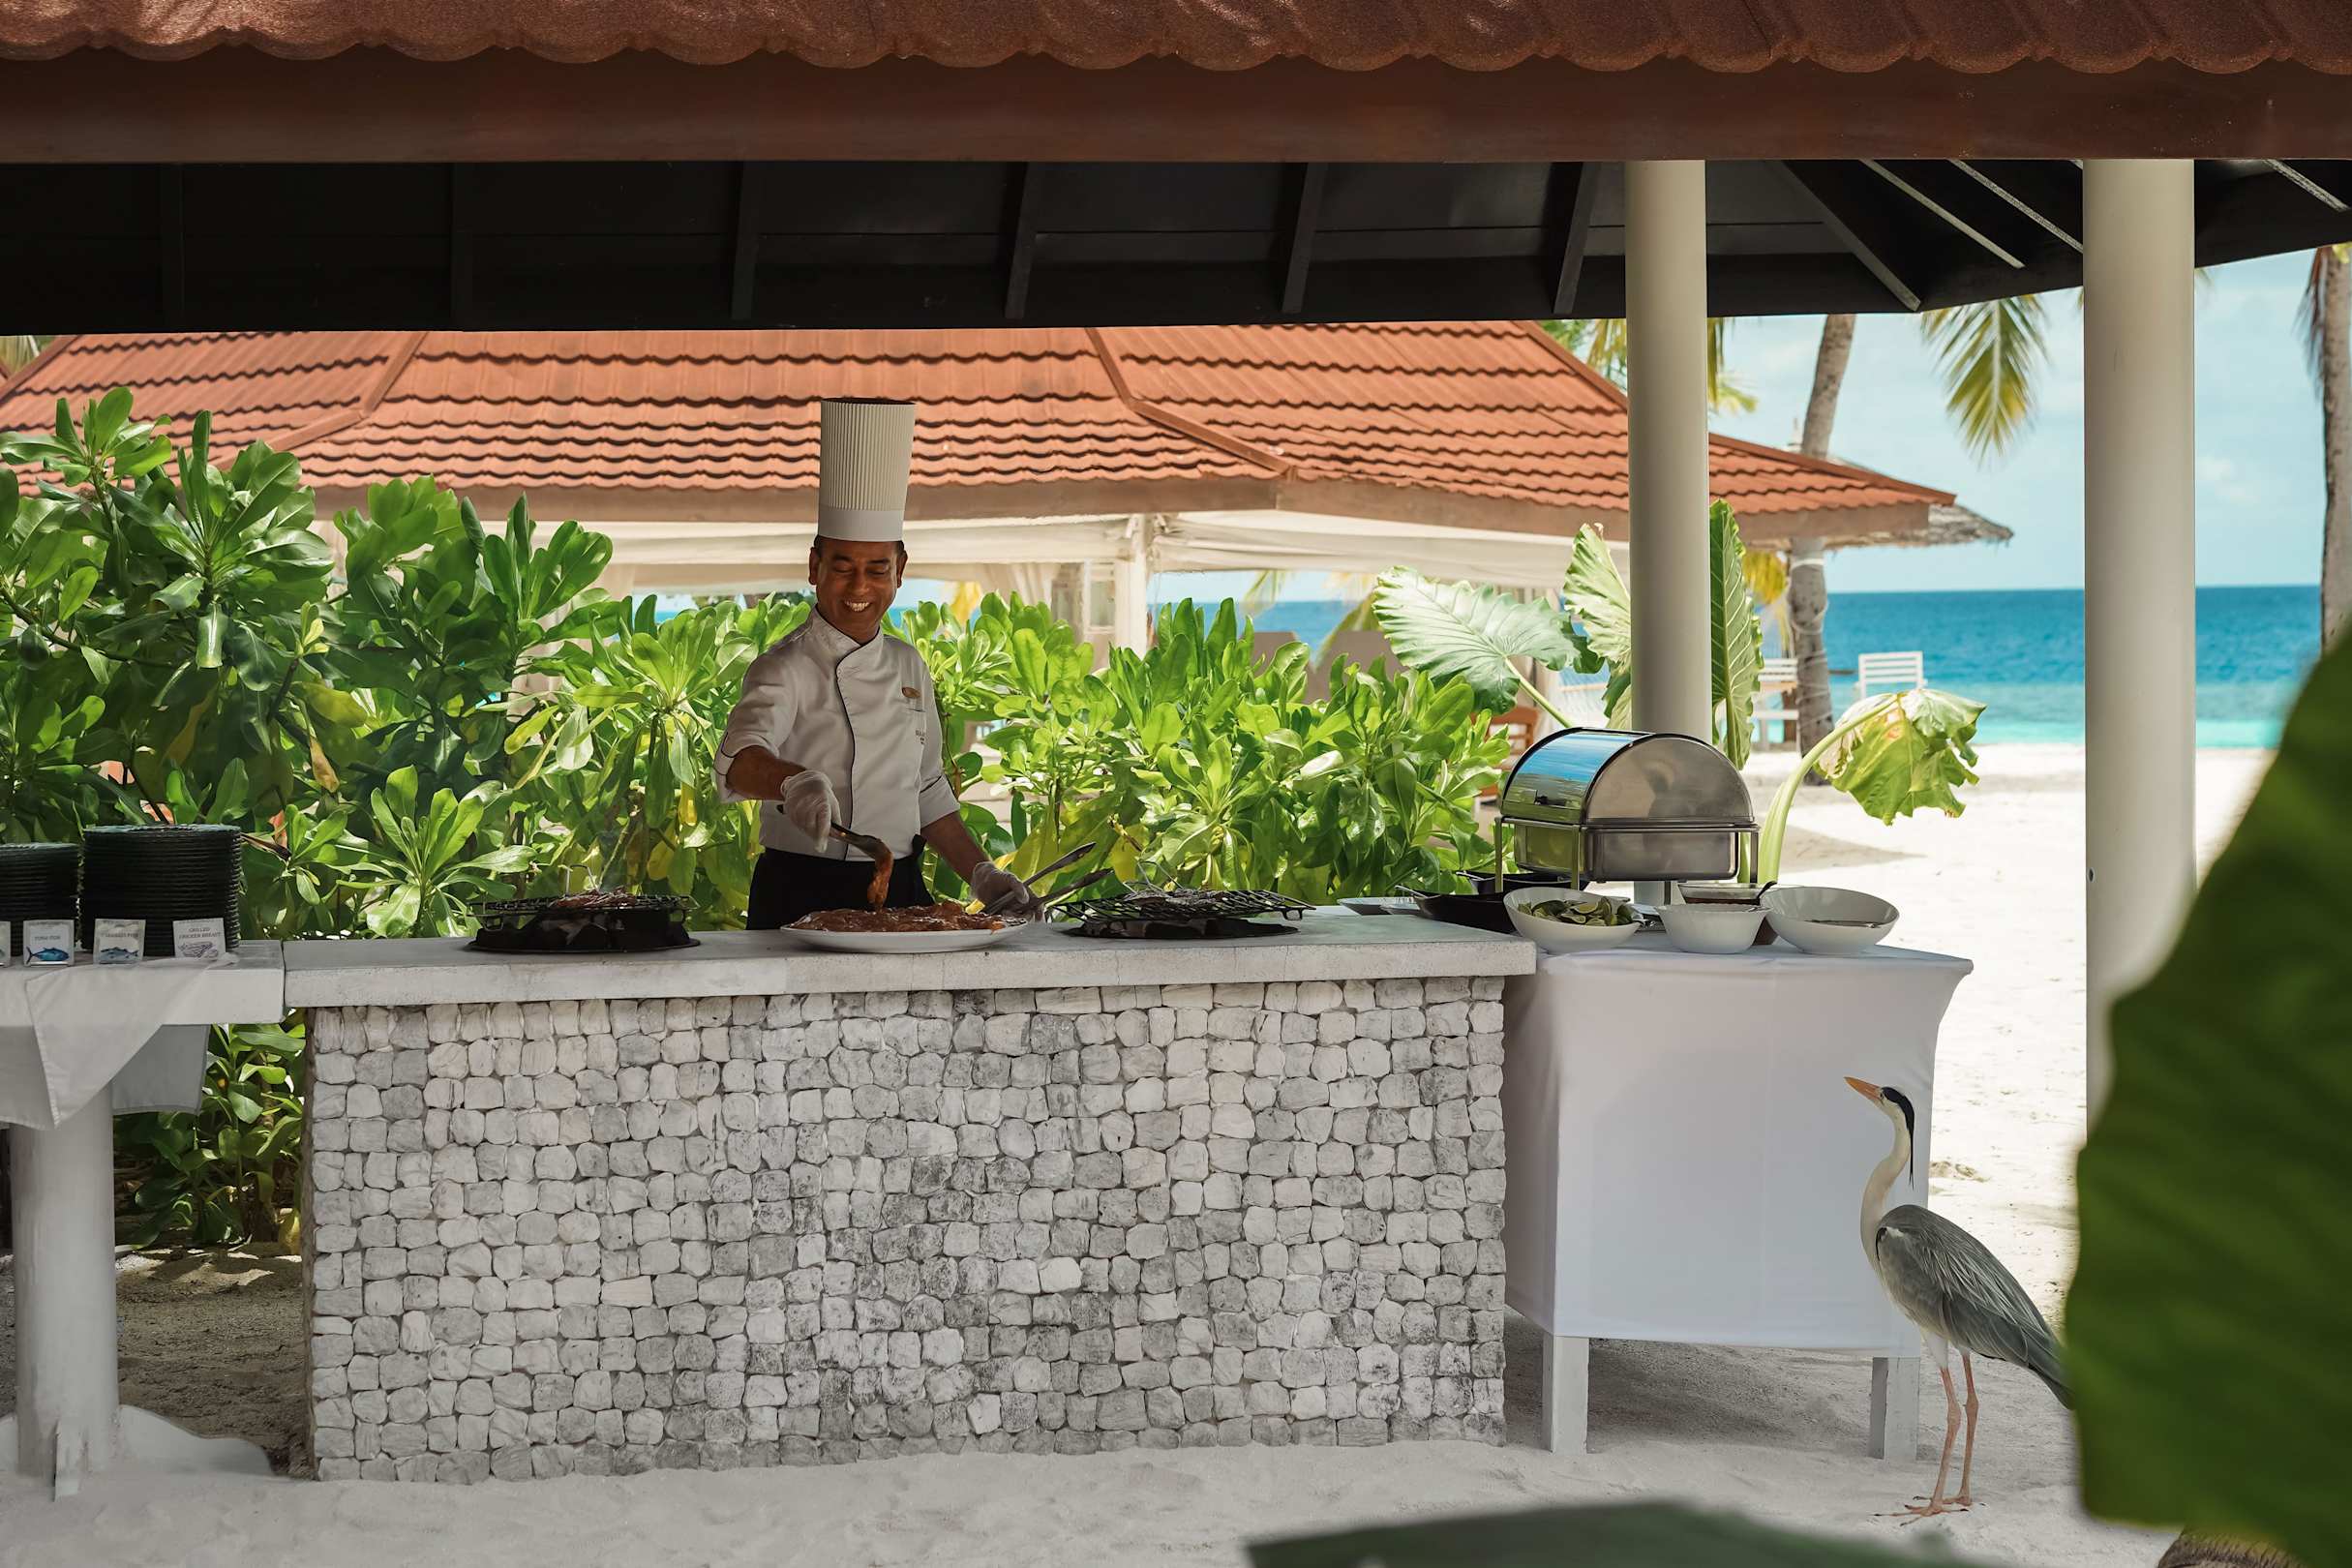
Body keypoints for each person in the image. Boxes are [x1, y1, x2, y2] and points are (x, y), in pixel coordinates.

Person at [712, 399, 1042, 929]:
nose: (860, 586)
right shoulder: (784, 666)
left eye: (877, 568)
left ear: (900, 570)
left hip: (903, 886)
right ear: (815, 566)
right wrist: (794, 782)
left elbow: (927, 787)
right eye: (843, 567)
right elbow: (739, 760)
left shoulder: (909, 665)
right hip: (800, 885)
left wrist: (981, 872)